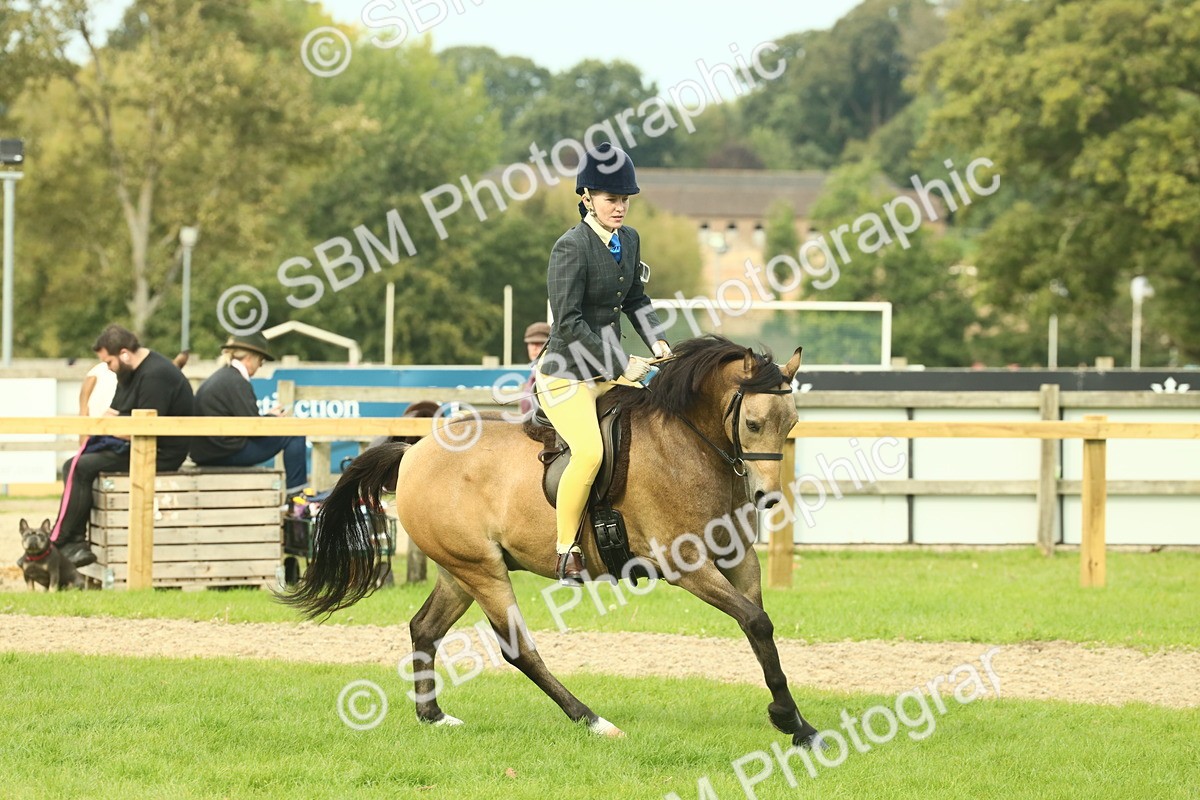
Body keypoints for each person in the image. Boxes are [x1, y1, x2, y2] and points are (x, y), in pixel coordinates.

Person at [534, 141, 671, 585]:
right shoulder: (570, 248)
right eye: (612, 199)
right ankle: (565, 550)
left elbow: (636, 298)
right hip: (566, 376)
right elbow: (569, 323)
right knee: (590, 453)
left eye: (625, 200)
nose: (620, 208)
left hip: (611, 370)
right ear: (587, 197)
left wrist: (658, 339)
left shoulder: (628, 241)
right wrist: (620, 364)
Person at [54, 324, 195, 567]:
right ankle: (71, 541)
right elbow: (113, 413)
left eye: (109, 362)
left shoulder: (156, 375)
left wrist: (105, 431)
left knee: (79, 467)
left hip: (160, 452)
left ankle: (71, 541)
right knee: (77, 462)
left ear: (124, 354)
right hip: (136, 442)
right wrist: (96, 432)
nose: (108, 368)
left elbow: (147, 428)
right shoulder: (127, 372)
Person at [189, 333, 308, 494]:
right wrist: (273, 418)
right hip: (225, 453)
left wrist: (269, 417)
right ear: (250, 358)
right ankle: (297, 496)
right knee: (295, 433)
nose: (260, 366)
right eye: (261, 360)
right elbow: (255, 430)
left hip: (209, 451)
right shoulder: (236, 381)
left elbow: (247, 420)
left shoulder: (222, 377)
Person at [518, 321, 550, 418]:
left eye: (540, 343)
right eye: (532, 343)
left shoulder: (552, 376)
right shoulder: (530, 377)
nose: (535, 348)